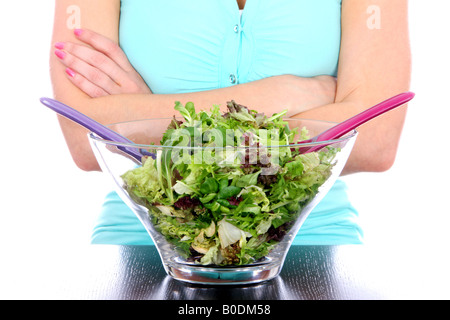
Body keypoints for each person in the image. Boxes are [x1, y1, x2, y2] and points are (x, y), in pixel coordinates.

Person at [49, 0, 411, 245]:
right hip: (143, 244)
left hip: (311, 244)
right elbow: (85, 137)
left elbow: (375, 139)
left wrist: (147, 115)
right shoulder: (287, 95)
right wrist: (282, 96)